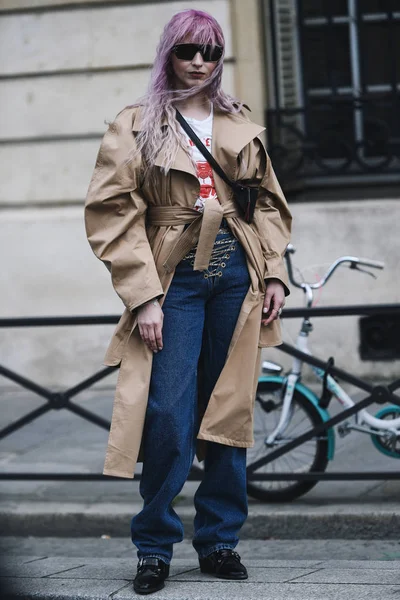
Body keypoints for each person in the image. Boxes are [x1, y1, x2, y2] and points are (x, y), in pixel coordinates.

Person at [85, 8, 291, 596]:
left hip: (236, 273)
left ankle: (220, 540)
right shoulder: (138, 123)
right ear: (168, 54)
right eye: (187, 51)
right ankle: (154, 546)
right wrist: (145, 296)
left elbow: (268, 203)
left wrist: (273, 273)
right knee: (170, 415)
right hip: (172, 276)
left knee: (228, 411)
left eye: (209, 52)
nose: (198, 62)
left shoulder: (238, 120)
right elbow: (110, 212)